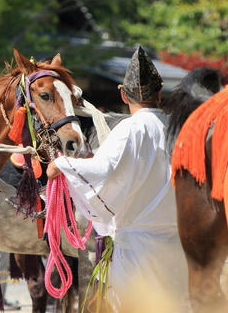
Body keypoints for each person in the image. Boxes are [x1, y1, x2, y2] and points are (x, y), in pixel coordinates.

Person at [46, 46, 189, 312]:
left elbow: (103, 170)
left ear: (123, 95)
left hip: (138, 248)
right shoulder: (178, 130)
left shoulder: (129, 129)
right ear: (160, 94)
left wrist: (62, 165)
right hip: (176, 246)